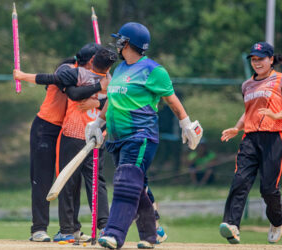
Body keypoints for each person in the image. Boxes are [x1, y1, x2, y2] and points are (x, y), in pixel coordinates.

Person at [85, 22, 203, 249]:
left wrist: (186, 124)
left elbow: (171, 99)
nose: (117, 44)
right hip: (116, 139)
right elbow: (112, 100)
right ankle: (150, 235)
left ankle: (114, 233)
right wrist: (97, 123)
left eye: (120, 40)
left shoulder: (153, 70)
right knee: (136, 187)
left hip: (141, 136)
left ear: (127, 43)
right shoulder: (119, 70)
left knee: (125, 181)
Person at [13, 43, 110, 242]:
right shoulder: (70, 71)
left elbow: (108, 98)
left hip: (69, 129)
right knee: (43, 177)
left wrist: (98, 100)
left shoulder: (90, 75)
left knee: (71, 179)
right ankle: (38, 228)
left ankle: (72, 228)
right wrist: (22, 76)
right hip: (48, 127)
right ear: (91, 60)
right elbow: (62, 86)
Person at [219, 42, 282, 244]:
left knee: (268, 189)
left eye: (261, 59)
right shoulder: (246, 85)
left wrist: (277, 114)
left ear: (271, 59)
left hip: (274, 137)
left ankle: (276, 221)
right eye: (254, 59)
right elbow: (248, 112)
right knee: (240, 180)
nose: (257, 63)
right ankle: (232, 225)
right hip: (250, 138)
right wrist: (237, 128)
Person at [55, 47, 117, 242]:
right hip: (95, 134)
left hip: (77, 132)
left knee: (80, 182)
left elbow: (74, 92)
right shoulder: (109, 79)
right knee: (92, 182)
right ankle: (99, 226)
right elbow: (74, 93)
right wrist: (100, 95)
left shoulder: (86, 75)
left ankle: (70, 229)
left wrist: (97, 103)